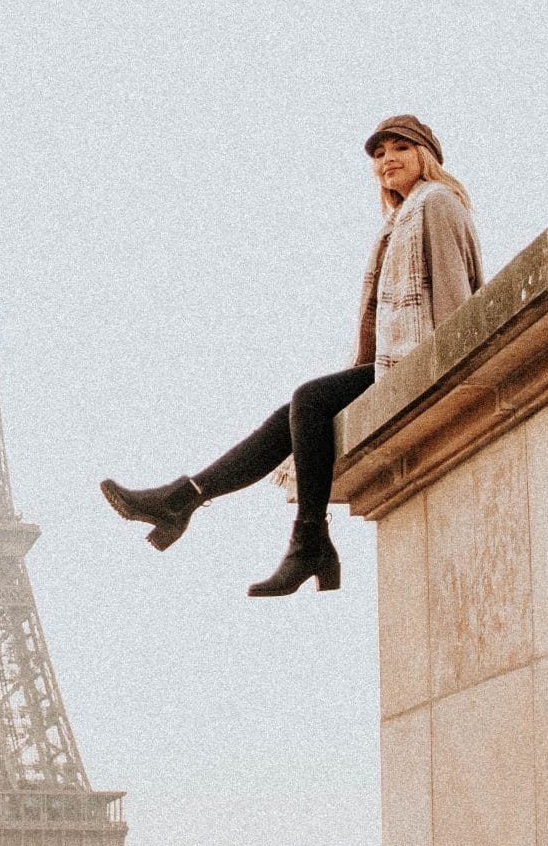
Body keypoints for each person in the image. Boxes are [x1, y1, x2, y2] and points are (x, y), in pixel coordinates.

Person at [100, 115, 484, 598]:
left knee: (310, 400)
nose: (387, 159)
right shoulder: (399, 220)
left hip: (423, 358)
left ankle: (298, 538)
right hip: (396, 359)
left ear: (425, 156)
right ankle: (189, 500)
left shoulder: (439, 203)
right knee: (300, 411)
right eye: (379, 153)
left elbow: (452, 292)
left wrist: (449, 366)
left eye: (400, 149)